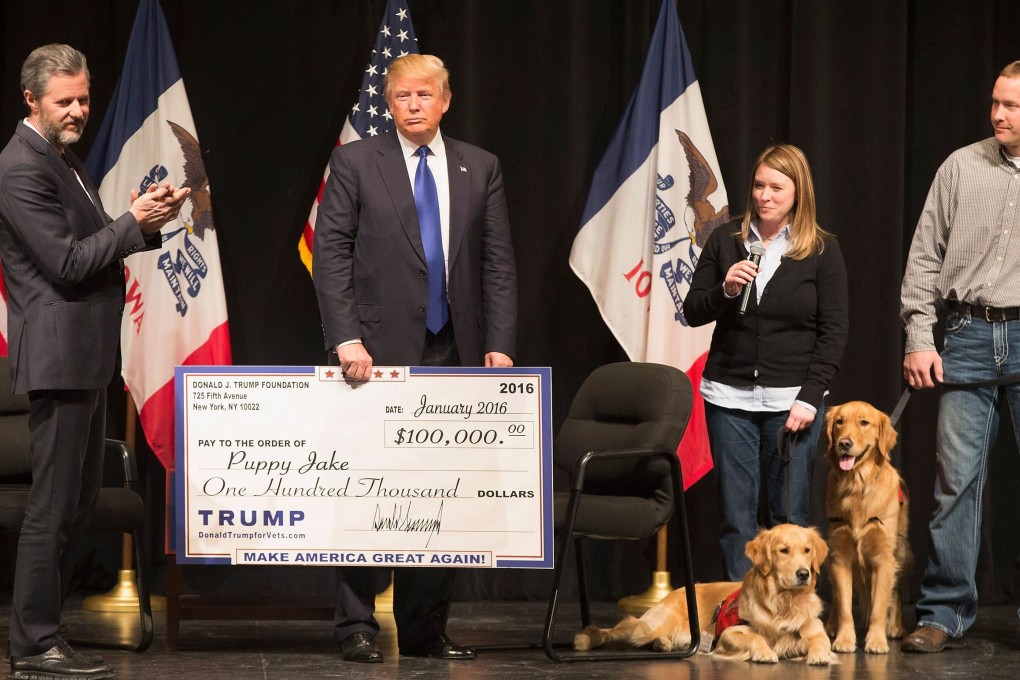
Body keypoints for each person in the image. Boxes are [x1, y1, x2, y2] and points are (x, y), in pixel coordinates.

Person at [312, 53, 517, 663]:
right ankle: (355, 625)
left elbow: (497, 263)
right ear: (388, 101)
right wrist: (345, 336)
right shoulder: (354, 162)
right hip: (373, 355)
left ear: (445, 99)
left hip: (456, 350)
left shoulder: (480, 167)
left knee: (439, 494)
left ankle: (425, 629)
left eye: (424, 94)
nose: (413, 105)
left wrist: (499, 343)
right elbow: (332, 256)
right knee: (366, 488)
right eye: (401, 96)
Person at [0, 44, 189, 679]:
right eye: (66, 101)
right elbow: (67, 263)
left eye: (84, 98)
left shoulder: (62, 158)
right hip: (58, 357)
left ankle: (47, 633)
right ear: (31, 100)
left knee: (77, 504)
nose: (80, 110)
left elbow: (93, 244)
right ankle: (32, 645)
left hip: (86, 354)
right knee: (52, 507)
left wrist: (148, 222)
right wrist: (130, 221)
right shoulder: (20, 167)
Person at [684, 143, 848, 581]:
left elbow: (833, 333)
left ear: (799, 193)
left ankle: (789, 621)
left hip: (792, 404)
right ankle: (739, 617)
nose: (765, 196)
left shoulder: (821, 251)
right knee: (737, 517)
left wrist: (810, 399)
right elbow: (693, 309)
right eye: (759, 185)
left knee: (789, 516)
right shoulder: (726, 239)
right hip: (728, 398)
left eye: (777, 187)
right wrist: (726, 291)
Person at [899, 60, 1020, 653]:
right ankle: (942, 612)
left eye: (1012, 106)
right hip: (968, 333)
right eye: (995, 102)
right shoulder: (960, 166)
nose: (998, 114)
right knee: (955, 481)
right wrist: (920, 337)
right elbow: (924, 257)